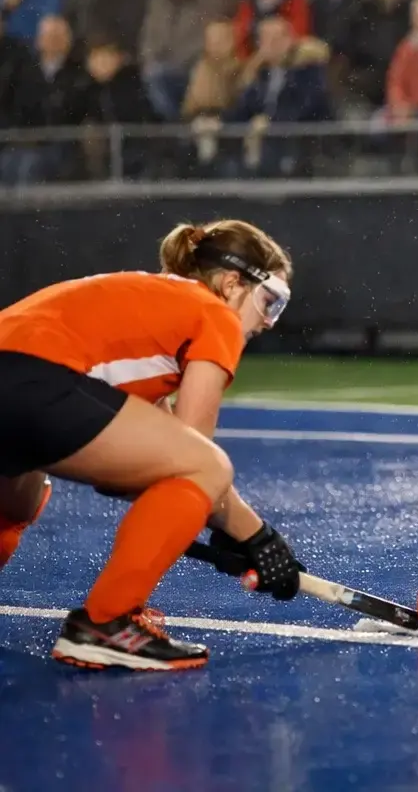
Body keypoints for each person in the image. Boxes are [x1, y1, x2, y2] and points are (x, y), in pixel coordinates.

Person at [0, 220, 303, 671]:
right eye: (268, 301)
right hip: (35, 379)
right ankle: (105, 623)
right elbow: (195, 456)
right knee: (205, 465)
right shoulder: (212, 311)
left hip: (19, 377)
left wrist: (227, 526)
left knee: (18, 502)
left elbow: (148, 466)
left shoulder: (153, 309)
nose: (266, 322)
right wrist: (257, 537)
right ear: (231, 282)